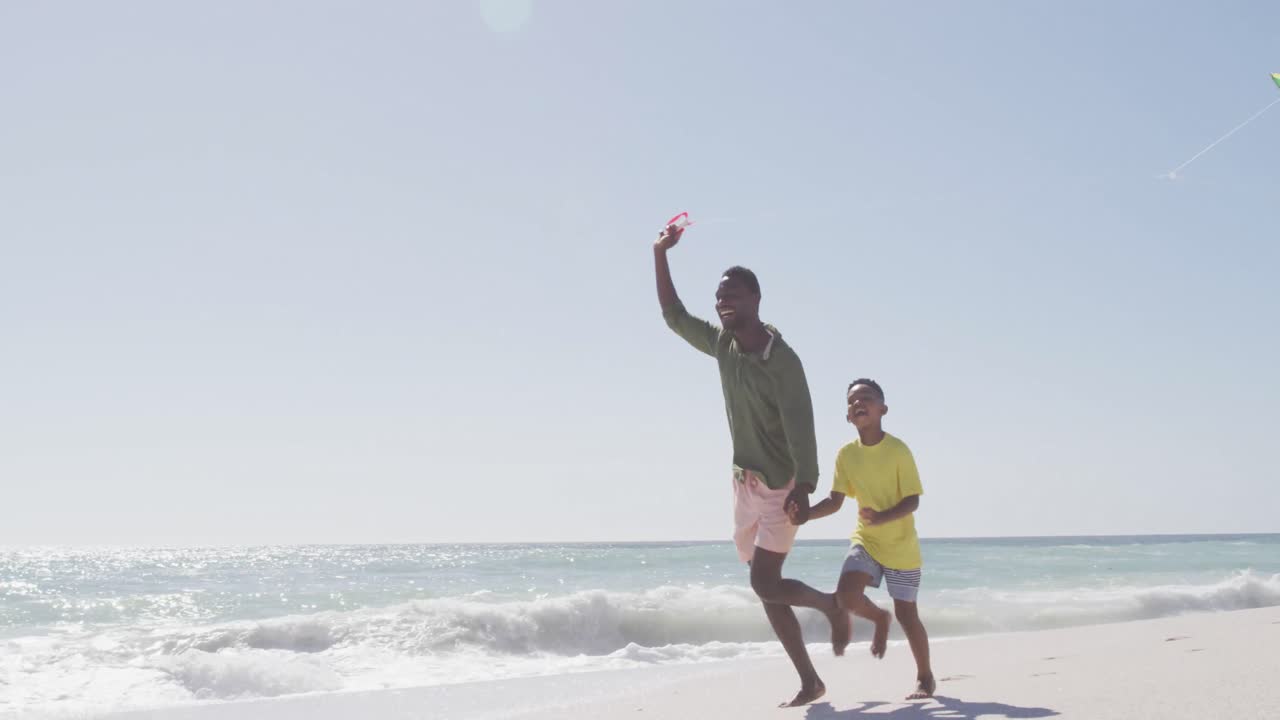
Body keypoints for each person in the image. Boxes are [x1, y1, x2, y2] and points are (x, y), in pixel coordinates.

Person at [653, 222, 850, 707]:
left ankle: (829, 604)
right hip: (744, 483)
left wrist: (805, 486)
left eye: (733, 296)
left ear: (756, 299)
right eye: (719, 297)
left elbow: (802, 425)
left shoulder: (783, 361)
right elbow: (674, 316)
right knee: (767, 589)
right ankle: (811, 680)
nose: (723, 304)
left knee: (764, 581)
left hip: (784, 487)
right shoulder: (723, 345)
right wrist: (660, 253)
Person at [793, 378, 936, 700]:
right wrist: (805, 516)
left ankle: (925, 678)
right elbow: (835, 501)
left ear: (882, 409)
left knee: (908, 616)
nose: (858, 403)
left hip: (901, 545)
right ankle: (878, 618)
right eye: (852, 401)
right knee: (846, 595)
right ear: (847, 416)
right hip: (866, 540)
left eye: (866, 398)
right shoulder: (846, 455)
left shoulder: (898, 450)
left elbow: (913, 500)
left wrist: (882, 517)